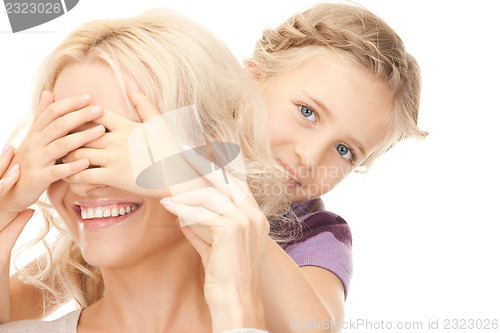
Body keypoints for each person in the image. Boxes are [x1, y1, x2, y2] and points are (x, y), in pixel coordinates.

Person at [1, 2, 427, 332]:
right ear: (246, 83)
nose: (309, 156)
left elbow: (314, 325)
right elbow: (14, 309)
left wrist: (185, 178)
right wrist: (13, 195)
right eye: (307, 112)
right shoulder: (136, 191)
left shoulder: (315, 230)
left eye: (345, 151)